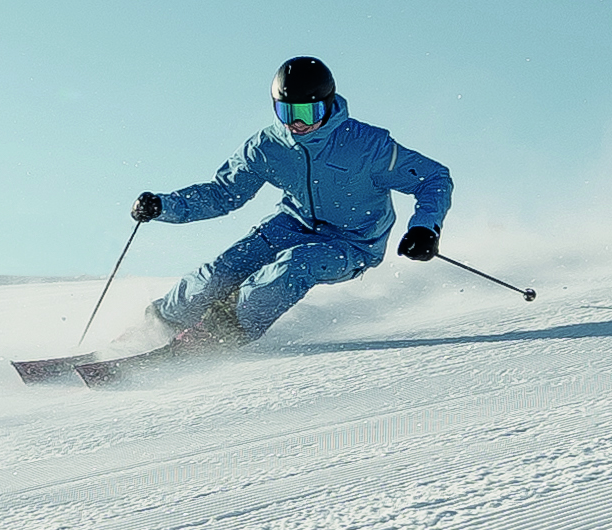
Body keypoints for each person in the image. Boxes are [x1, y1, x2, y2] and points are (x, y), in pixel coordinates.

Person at [128, 54, 457, 347]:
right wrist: (164, 206)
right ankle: (160, 324)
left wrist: (425, 228)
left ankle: (222, 332)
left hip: (353, 241)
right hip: (292, 224)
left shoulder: (368, 146)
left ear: (327, 104)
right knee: (223, 269)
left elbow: (433, 178)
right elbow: (223, 194)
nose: (297, 123)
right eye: (288, 112)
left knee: (295, 265)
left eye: (308, 111)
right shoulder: (267, 146)